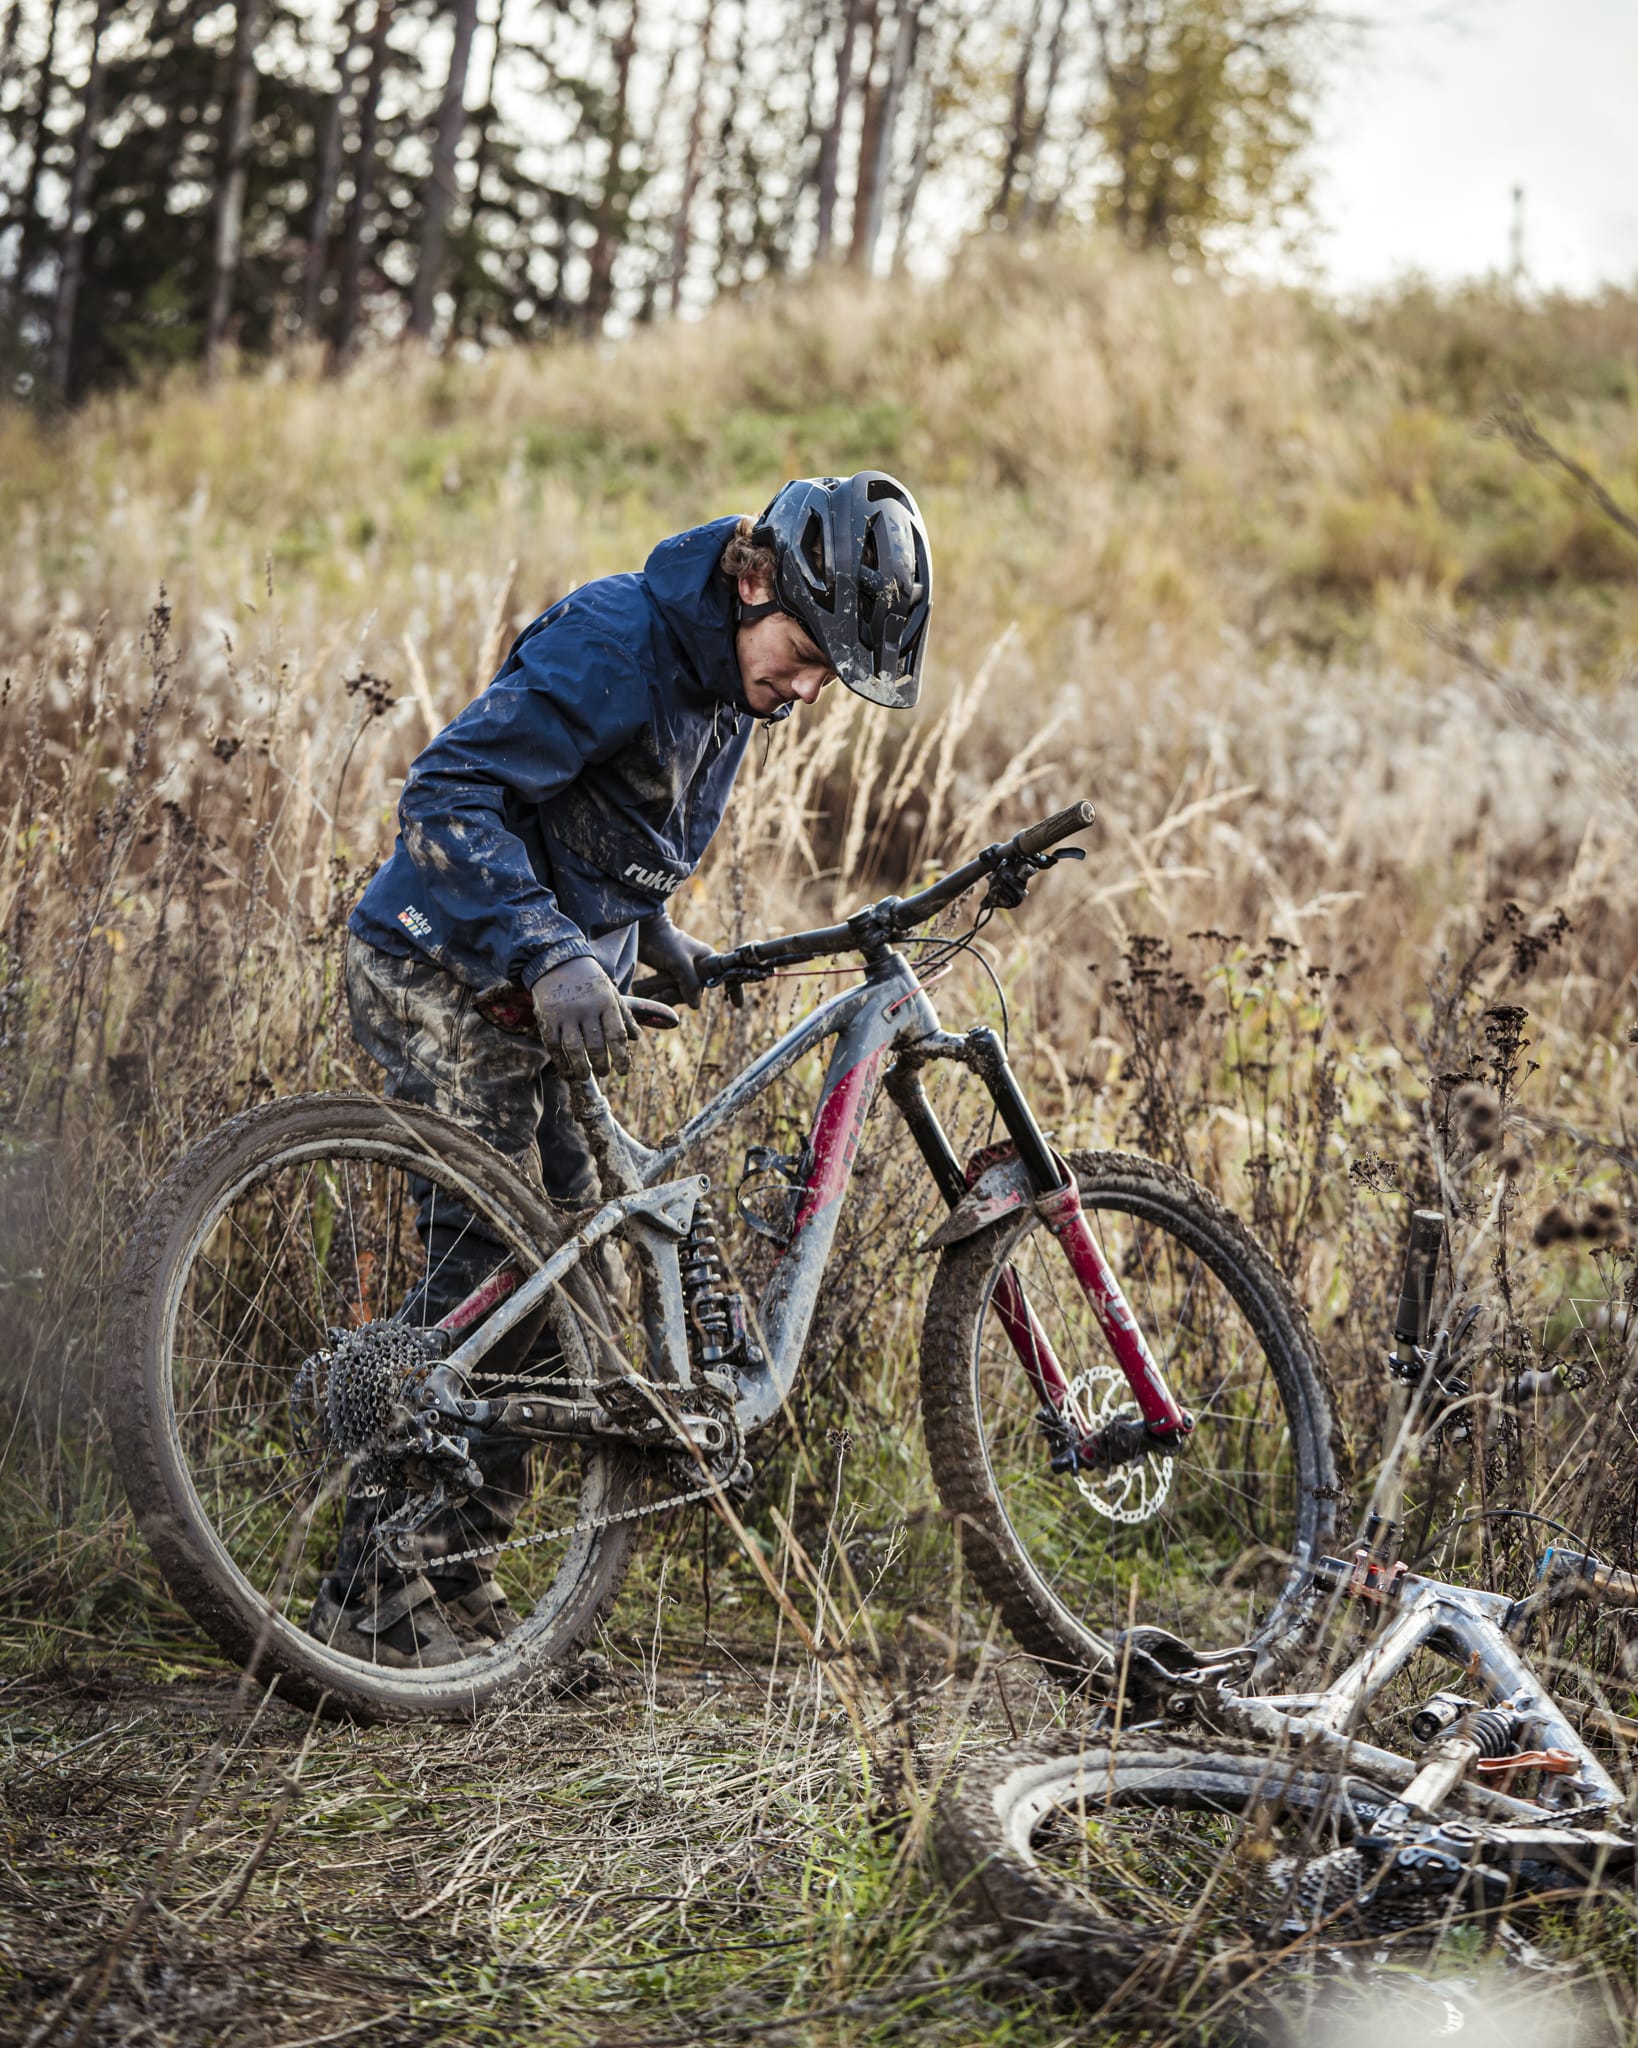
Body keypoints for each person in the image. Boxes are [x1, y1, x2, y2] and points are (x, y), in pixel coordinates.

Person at [311, 470, 934, 1665]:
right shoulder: (616, 639)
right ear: (755, 580)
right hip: (440, 963)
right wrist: (551, 950)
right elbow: (449, 794)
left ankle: (455, 1577)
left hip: (526, 992)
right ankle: (370, 1595)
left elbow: (598, 824)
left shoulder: (731, 685)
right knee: (486, 1268)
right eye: (808, 655)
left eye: (829, 676)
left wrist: (651, 933)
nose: (808, 690)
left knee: (560, 1291)